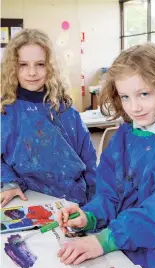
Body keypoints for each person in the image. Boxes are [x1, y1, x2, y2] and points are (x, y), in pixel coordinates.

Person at [57, 43, 155, 268]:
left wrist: (107, 239)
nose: (134, 107)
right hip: (123, 244)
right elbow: (110, 193)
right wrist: (89, 217)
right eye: (125, 97)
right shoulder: (124, 136)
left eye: (144, 94)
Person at [1, 28, 96, 208]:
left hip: (72, 199)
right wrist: (9, 182)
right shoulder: (5, 111)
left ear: (50, 67)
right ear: (12, 67)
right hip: (26, 199)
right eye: (23, 65)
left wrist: (95, 203)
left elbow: (89, 160)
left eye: (40, 64)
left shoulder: (66, 110)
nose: (32, 73)